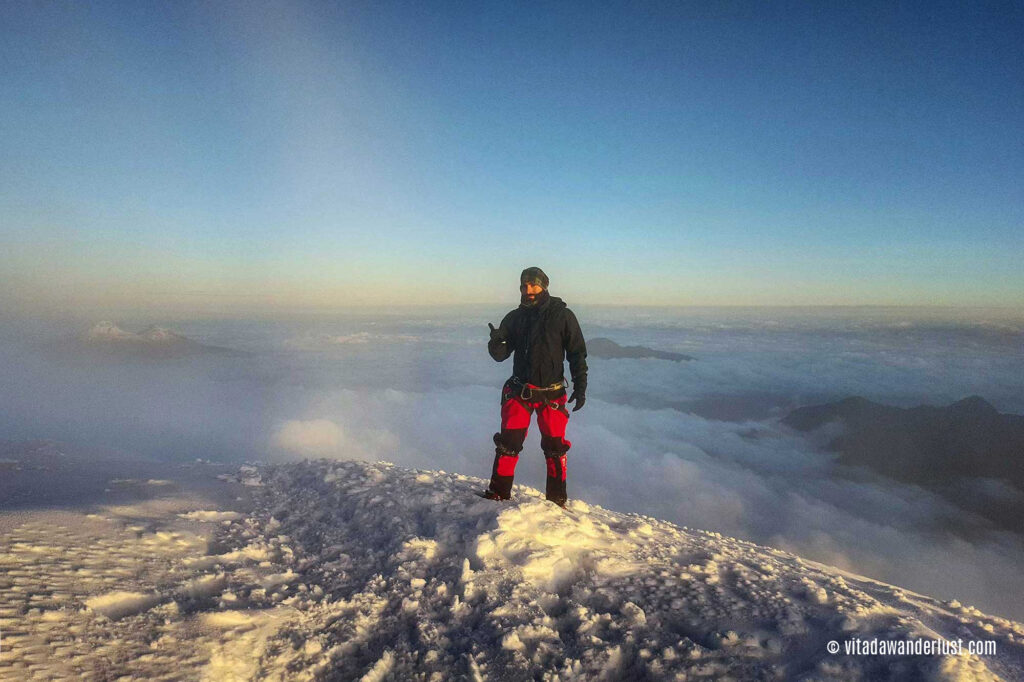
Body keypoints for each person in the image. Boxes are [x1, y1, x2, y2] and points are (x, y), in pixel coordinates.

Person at [482, 267, 587, 507]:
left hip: (551, 393)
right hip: (520, 392)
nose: (528, 290)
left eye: (533, 285)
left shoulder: (563, 316)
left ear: (544, 286)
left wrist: (580, 387)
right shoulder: (515, 317)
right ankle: (498, 494)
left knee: (555, 449)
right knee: (508, 445)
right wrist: (496, 342)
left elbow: (577, 354)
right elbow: (501, 355)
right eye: (524, 286)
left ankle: (557, 501)